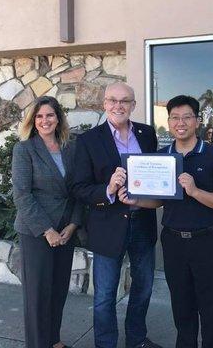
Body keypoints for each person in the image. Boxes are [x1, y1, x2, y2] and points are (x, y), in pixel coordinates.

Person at [118, 95, 213, 348]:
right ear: (169, 121)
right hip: (173, 242)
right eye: (174, 117)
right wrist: (135, 200)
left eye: (186, 117)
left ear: (197, 121)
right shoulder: (162, 157)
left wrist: (195, 191)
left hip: (208, 241)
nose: (180, 122)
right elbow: (159, 201)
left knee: (211, 307)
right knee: (182, 307)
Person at [71, 82, 160, 348]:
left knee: (143, 290)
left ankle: (136, 340)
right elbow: (78, 187)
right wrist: (108, 189)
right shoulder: (88, 140)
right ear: (104, 104)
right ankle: (105, 344)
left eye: (124, 101)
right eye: (112, 100)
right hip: (108, 226)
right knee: (105, 295)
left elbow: (154, 175)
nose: (118, 106)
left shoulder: (147, 133)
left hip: (142, 224)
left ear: (133, 105)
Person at [12, 96, 83, 348]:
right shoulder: (24, 149)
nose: (45, 121)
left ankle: (53, 341)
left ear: (58, 118)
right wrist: (47, 230)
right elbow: (22, 194)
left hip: (66, 231)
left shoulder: (71, 148)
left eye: (50, 115)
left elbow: (78, 189)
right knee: (38, 295)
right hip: (37, 232)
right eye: (39, 116)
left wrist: (73, 224)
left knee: (57, 291)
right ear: (33, 120)